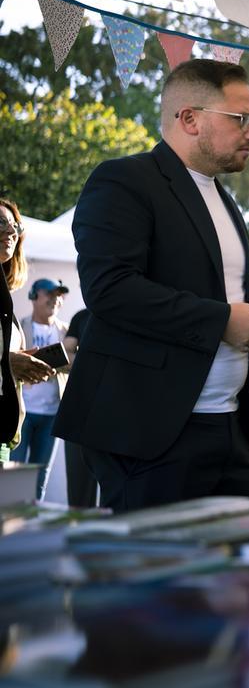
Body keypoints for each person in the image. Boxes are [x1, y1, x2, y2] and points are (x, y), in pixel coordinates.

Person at [54, 59, 249, 512]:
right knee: (156, 580)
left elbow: (215, 295)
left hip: (231, 430)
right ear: (189, 119)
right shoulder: (123, 180)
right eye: (242, 118)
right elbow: (111, 289)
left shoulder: (224, 199)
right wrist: (223, 320)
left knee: (229, 579)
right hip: (153, 434)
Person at [1, 198, 53, 453]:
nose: (11, 231)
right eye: (1, 223)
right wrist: (6, 362)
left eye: (16, 226)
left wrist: (20, 362)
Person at [14, 278, 71, 497]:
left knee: (40, 476)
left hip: (52, 415)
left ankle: (32, 523)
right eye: (50, 294)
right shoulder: (20, 327)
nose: (55, 299)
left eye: (59, 295)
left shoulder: (67, 332)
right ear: (34, 296)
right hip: (23, 412)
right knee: (15, 471)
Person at [61, 307, 98, 506]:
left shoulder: (130, 313)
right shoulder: (81, 317)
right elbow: (65, 354)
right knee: (79, 486)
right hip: (81, 410)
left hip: (117, 411)